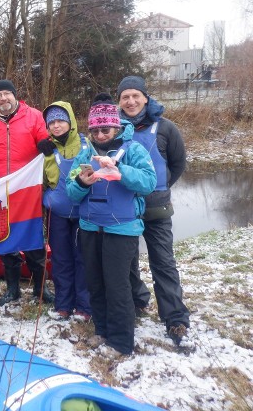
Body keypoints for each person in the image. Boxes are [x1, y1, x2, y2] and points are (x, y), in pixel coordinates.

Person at [66, 93, 156, 358]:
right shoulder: (85, 154)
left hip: (122, 229)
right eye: (94, 130)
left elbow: (149, 182)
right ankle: (103, 330)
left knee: (118, 287)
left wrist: (122, 173)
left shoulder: (133, 150)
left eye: (105, 129)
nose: (100, 135)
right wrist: (83, 182)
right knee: (96, 284)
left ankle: (120, 342)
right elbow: (71, 194)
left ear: (116, 126)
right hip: (91, 228)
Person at [117, 75, 190, 346]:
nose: (131, 101)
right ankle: (138, 301)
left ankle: (175, 318)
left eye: (136, 96)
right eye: (125, 97)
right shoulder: (114, 129)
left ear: (145, 98)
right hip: (124, 208)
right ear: (120, 101)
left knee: (163, 262)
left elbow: (178, 163)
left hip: (157, 210)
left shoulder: (165, 128)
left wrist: (160, 188)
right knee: (127, 262)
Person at [0, 79, 54, 306]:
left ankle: (40, 288)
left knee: (33, 240)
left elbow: (46, 138)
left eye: (7, 94)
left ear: (14, 96)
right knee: (5, 240)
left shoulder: (34, 116)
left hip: (28, 191)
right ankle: (13, 289)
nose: (3, 98)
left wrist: (46, 144)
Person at [41, 101, 92, 322]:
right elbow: (41, 181)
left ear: (70, 122)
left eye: (60, 120)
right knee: (61, 259)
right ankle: (63, 304)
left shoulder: (86, 145)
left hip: (83, 213)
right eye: (51, 122)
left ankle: (84, 306)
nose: (56, 126)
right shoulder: (46, 150)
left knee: (82, 258)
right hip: (58, 214)